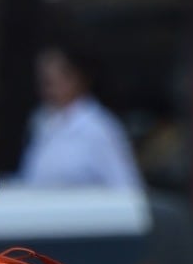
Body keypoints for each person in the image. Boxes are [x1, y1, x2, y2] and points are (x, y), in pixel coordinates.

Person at [17, 42, 144, 189]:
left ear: (76, 79)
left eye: (50, 82)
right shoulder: (42, 121)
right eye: (43, 83)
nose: (46, 90)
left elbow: (126, 187)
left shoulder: (98, 128)